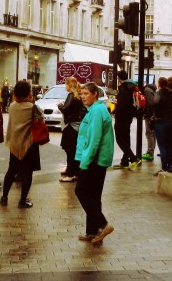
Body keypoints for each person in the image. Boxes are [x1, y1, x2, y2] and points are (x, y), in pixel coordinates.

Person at [74, 82, 114, 245]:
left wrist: (85, 162)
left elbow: (94, 139)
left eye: (86, 94)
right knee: (93, 195)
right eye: (81, 94)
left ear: (95, 94)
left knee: (81, 191)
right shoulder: (96, 110)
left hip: (94, 160)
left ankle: (103, 224)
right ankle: (92, 232)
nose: (82, 97)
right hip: (97, 159)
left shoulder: (97, 111)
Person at [0, 80, 39, 208]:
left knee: (11, 171)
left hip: (14, 144)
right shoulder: (32, 107)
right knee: (27, 173)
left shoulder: (12, 106)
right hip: (29, 144)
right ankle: (22, 200)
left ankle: (4, 197)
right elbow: (40, 121)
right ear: (29, 93)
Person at [57, 77, 85, 182]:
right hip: (77, 126)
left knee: (69, 150)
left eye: (66, 84)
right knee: (75, 150)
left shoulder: (71, 96)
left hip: (70, 126)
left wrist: (60, 106)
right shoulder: (79, 96)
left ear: (70, 85)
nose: (65, 86)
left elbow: (66, 109)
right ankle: (75, 171)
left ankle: (70, 174)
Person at [111, 70, 139, 170]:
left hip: (122, 117)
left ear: (119, 78)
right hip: (129, 116)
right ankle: (125, 161)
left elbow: (123, 105)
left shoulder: (124, 87)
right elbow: (127, 102)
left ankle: (133, 158)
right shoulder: (132, 86)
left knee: (120, 139)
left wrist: (116, 112)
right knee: (126, 138)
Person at [151, 77, 172, 174]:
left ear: (159, 84)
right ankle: (170, 165)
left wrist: (157, 114)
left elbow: (155, 102)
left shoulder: (159, 93)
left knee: (162, 146)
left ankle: (164, 167)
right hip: (170, 121)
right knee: (169, 144)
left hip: (160, 122)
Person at [141, 81, 157, 161]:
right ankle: (151, 151)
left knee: (149, 133)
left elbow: (150, 103)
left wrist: (147, 114)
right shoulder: (152, 90)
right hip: (153, 115)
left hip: (150, 115)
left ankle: (150, 152)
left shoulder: (147, 90)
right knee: (152, 133)